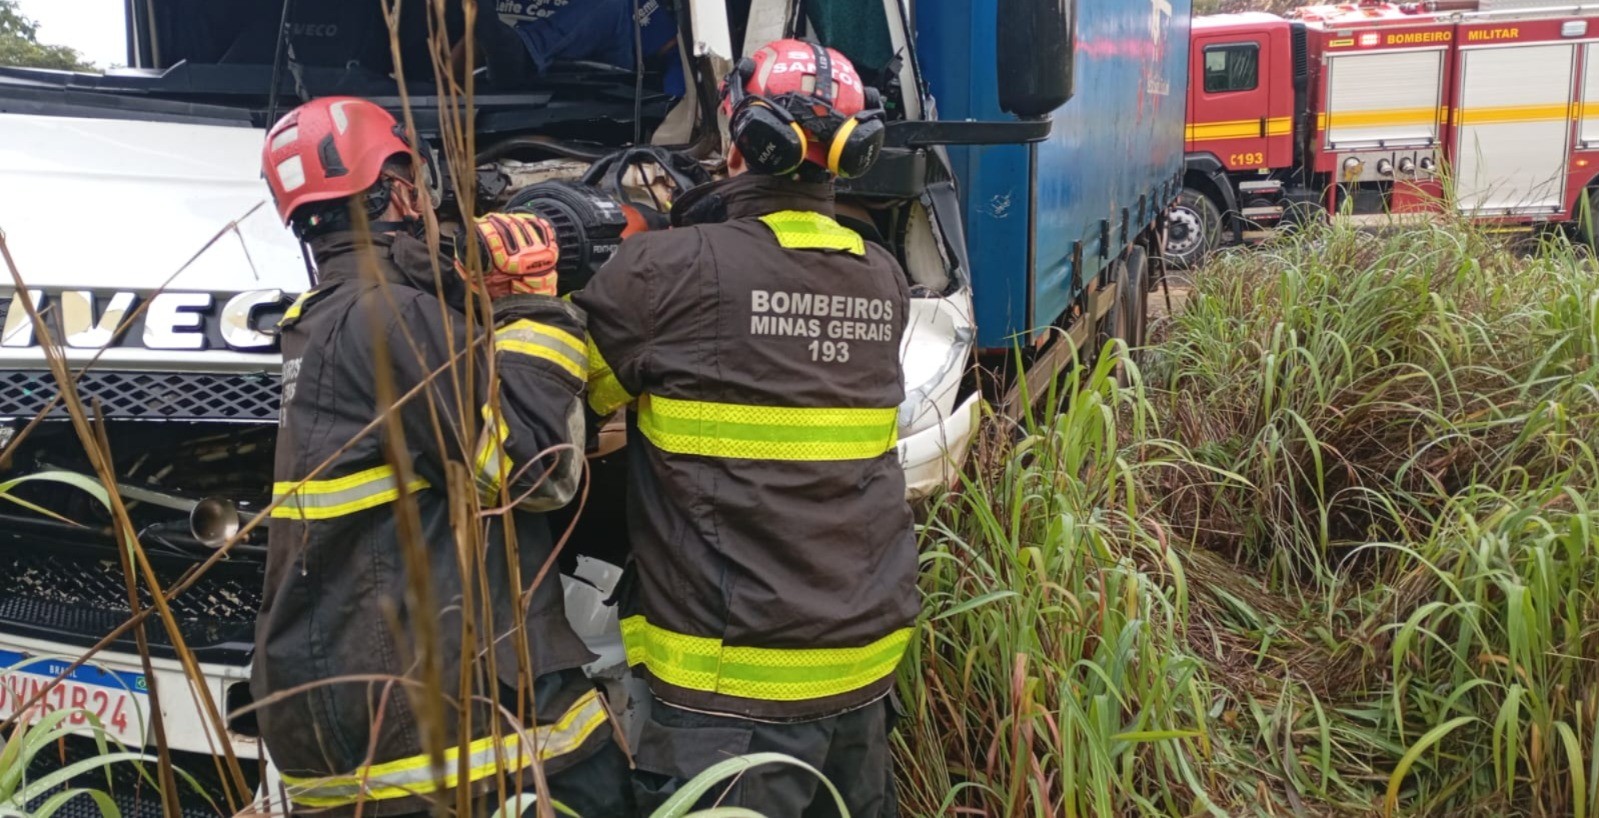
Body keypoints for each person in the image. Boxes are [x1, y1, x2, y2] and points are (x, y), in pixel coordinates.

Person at [253, 96, 631, 818]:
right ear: (398, 188)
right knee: (590, 771)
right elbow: (538, 473)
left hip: (340, 694)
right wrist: (532, 308)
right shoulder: (391, 316)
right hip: (434, 707)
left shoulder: (330, 317)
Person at [571, 39, 909, 817]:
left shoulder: (663, 272)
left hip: (728, 694)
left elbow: (570, 408)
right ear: (853, 152)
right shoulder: (881, 277)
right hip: (861, 669)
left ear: (741, 141)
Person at [462, 0, 686, 97]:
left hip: (595, 108)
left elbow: (675, 54)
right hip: (502, 112)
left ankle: (526, 52)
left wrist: (675, 128)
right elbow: (447, 79)